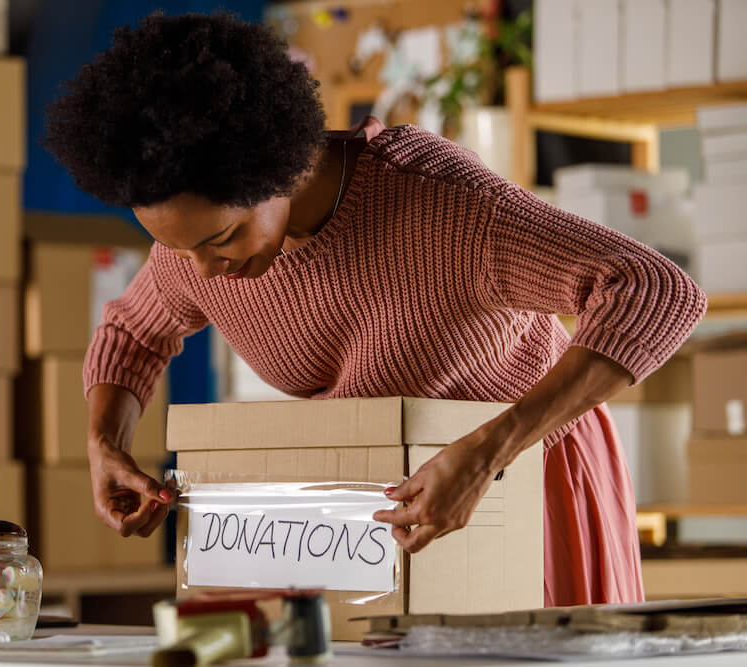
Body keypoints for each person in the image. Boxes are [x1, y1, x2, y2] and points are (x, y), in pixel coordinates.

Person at [43, 12, 706, 606]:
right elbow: (132, 330)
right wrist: (105, 443)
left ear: (283, 166)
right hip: (381, 502)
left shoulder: (444, 205)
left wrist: (488, 451)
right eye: (176, 248)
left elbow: (653, 289)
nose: (205, 272)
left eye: (221, 239)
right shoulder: (199, 255)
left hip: (527, 469)